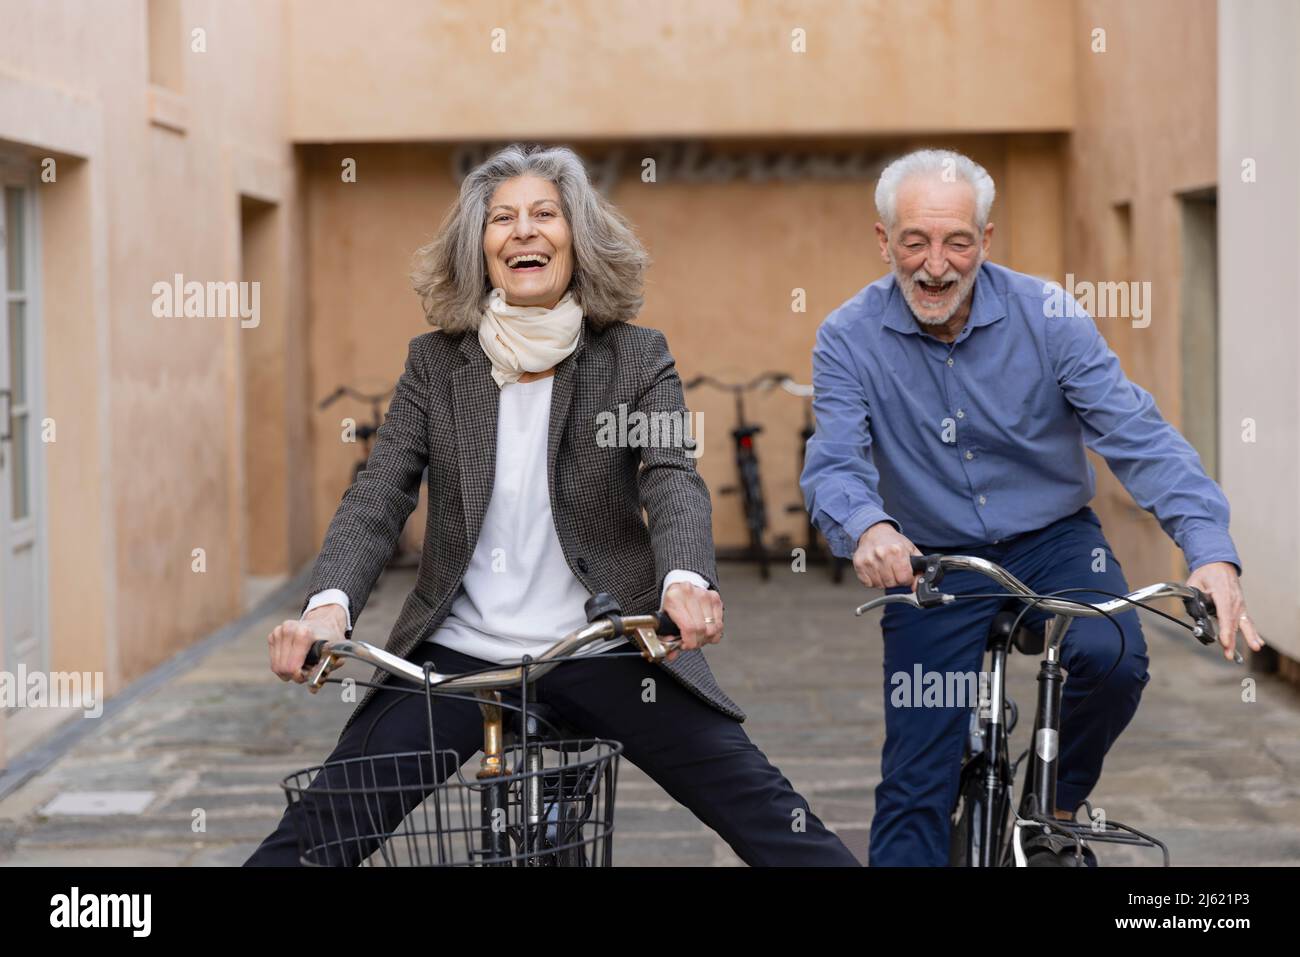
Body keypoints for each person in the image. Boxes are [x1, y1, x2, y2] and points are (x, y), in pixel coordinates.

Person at [246, 143, 858, 867]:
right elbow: (379, 494)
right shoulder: (436, 363)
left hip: (603, 644)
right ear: (480, 248)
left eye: (545, 214)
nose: (524, 230)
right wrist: (328, 606)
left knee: (772, 819)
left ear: (578, 239)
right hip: (458, 657)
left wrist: (686, 581)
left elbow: (671, 474)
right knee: (319, 835)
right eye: (502, 218)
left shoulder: (634, 355)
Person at [801, 148, 1264, 867]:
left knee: (1113, 654)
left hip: (1055, 539)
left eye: (957, 241)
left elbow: (1136, 435)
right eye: (915, 240)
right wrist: (868, 524)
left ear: (985, 241)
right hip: (931, 560)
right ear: (883, 239)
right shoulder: (847, 336)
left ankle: (1055, 805)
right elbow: (835, 459)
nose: (935, 264)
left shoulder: (1048, 316)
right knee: (914, 782)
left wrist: (1209, 550)